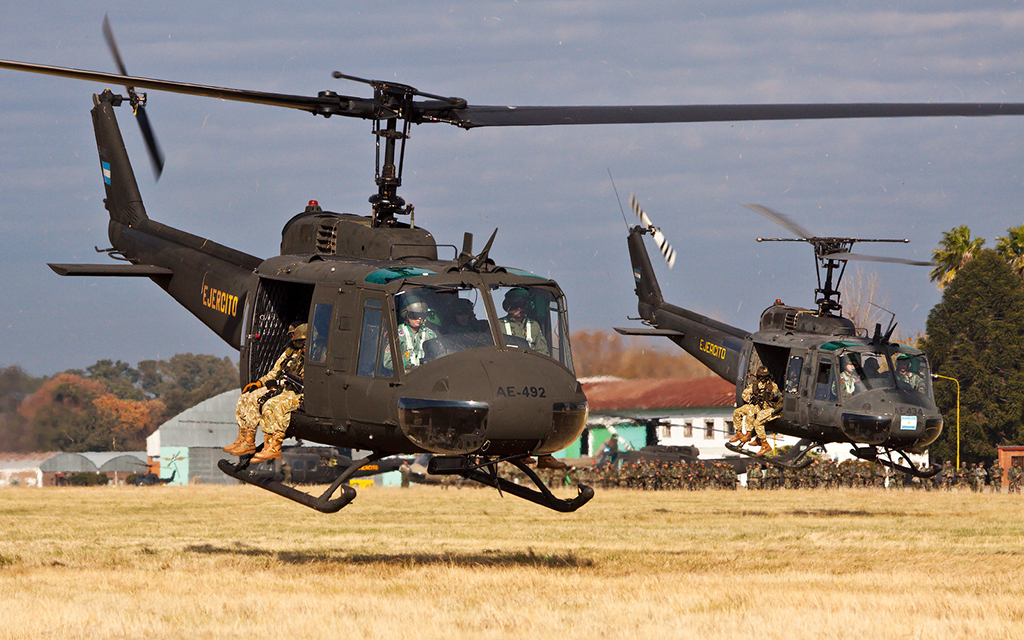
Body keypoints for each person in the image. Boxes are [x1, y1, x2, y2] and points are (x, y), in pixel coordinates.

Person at [223, 323, 306, 463]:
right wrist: (260, 383)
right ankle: (245, 440)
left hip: (298, 392)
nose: (299, 346)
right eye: (298, 343)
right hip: (285, 387)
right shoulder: (292, 353)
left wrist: (279, 384)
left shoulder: (316, 356)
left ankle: (272, 447)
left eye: (301, 343)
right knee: (246, 398)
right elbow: (275, 372)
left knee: (271, 405)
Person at [729, 366, 780, 456]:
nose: (763, 379)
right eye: (761, 377)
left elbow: (775, 396)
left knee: (751, 413)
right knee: (737, 412)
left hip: (765, 407)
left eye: (765, 377)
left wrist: (771, 396)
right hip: (755, 405)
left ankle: (749, 434)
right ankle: (738, 433)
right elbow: (745, 394)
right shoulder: (755, 385)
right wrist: (751, 399)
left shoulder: (772, 386)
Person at [385, 300, 438, 371]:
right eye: (415, 315)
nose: (419, 318)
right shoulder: (396, 334)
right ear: (407, 315)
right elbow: (387, 362)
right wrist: (408, 366)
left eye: (422, 315)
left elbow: (438, 357)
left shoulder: (430, 334)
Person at [499, 288, 548, 354]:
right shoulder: (498, 325)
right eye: (515, 306)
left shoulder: (534, 326)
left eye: (522, 306)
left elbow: (543, 353)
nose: (519, 310)